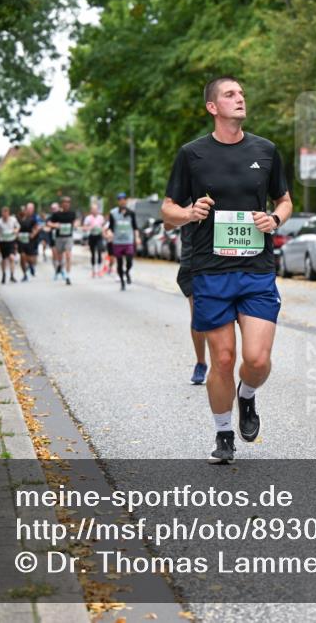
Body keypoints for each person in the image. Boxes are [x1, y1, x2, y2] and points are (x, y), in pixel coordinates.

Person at [162, 76, 292, 464]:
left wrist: (275, 218)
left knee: (255, 359)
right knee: (221, 360)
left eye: (241, 94)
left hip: (256, 269)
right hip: (210, 271)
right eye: (230, 95)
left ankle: (247, 397)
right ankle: (223, 435)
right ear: (212, 107)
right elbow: (167, 211)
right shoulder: (192, 154)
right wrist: (188, 212)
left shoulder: (266, 151)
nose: (239, 99)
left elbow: (284, 200)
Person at [171, 219, 208, 384]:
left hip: (223, 260)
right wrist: (188, 212)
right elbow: (167, 223)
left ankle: (226, 362)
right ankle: (201, 362)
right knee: (198, 314)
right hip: (192, 262)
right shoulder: (185, 195)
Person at [105, 192, 140, 291]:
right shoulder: (113, 213)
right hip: (117, 242)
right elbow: (111, 227)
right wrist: (109, 233)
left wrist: (137, 237)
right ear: (118, 201)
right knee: (119, 263)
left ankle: (127, 272)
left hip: (128, 241)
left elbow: (135, 227)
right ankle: (122, 282)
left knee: (129, 261)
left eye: (124, 199)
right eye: (120, 200)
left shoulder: (131, 213)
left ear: (126, 201)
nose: (122, 201)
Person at [47, 196, 77, 285]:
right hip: (59, 237)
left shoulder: (72, 214)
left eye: (68, 202)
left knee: (68, 255)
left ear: (69, 204)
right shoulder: (57, 214)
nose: (66, 204)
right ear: (62, 204)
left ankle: (68, 275)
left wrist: (76, 224)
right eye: (64, 202)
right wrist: (55, 225)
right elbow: (48, 223)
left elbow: (76, 222)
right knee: (60, 257)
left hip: (68, 237)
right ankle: (60, 268)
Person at [17, 202, 43, 282]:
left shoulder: (32, 219)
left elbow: (38, 227)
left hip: (30, 241)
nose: (25, 211)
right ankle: (24, 275)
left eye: (26, 210)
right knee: (22, 257)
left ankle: (31, 265)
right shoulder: (18, 219)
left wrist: (33, 234)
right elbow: (15, 228)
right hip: (21, 240)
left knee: (29, 258)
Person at [81, 204, 106, 277]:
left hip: (99, 236)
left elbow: (103, 226)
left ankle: (99, 270)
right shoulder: (88, 218)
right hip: (92, 236)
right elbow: (84, 227)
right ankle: (93, 270)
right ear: (91, 210)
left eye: (96, 209)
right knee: (93, 254)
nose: (94, 211)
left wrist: (103, 230)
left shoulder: (101, 217)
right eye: (93, 209)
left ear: (98, 210)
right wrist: (90, 227)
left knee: (99, 252)